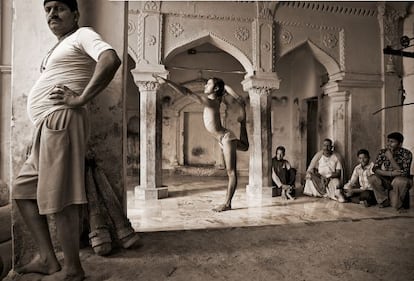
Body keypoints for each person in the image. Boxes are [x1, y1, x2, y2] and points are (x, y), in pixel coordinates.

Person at [11, 1, 121, 280]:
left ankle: (73, 269)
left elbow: (110, 59)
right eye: (47, 9)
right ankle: (48, 258)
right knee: (23, 191)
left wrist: (81, 98)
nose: (52, 14)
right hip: (46, 127)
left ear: (75, 14)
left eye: (59, 8)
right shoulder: (56, 49)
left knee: (62, 198)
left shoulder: (82, 35)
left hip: (62, 120)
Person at [154, 75, 249, 212]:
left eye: (208, 84)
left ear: (215, 88)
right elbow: (226, 86)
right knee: (244, 147)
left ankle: (227, 204)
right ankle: (242, 124)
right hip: (223, 138)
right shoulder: (217, 99)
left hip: (225, 138)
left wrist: (168, 81)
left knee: (231, 172)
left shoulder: (211, 102)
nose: (205, 86)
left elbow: (187, 92)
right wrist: (238, 99)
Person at [368, 132, 412, 211]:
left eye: (392, 142)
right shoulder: (383, 152)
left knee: (398, 183)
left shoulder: (407, 154)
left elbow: (403, 173)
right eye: (388, 141)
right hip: (387, 179)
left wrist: (391, 158)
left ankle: (397, 203)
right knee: (372, 178)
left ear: (400, 144)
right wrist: (390, 173)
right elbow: (375, 169)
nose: (389, 144)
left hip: (401, 180)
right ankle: (383, 200)